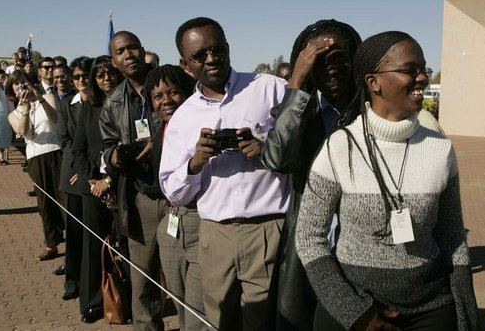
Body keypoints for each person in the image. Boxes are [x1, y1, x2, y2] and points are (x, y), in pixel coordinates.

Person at [295, 31, 480, 331]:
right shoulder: (339, 147)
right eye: (410, 70)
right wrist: (356, 313)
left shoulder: (440, 148)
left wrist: (465, 309)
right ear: (373, 82)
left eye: (424, 70)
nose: (422, 78)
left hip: (430, 308)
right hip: (354, 306)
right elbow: (309, 238)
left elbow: (452, 236)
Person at [159, 17, 289, 330]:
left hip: (268, 229)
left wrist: (266, 147)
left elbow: (304, 148)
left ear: (228, 49)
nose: (211, 59)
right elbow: (173, 191)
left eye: (217, 50)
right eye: (200, 56)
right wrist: (196, 161)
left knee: (265, 322)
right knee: (219, 321)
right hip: (215, 235)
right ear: (185, 64)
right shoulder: (183, 117)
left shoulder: (271, 89)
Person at [261, 19, 362, 330]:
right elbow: (276, 158)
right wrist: (295, 86)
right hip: (309, 243)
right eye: (318, 60)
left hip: (363, 244)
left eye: (338, 58)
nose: (330, 68)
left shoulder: (375, 110)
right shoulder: (300, 110)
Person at [99, 31, 166, 331]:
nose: (128, 54)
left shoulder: (172, 86)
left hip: (180, 198)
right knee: (143, 282)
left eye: (133, 47)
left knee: (182, 279)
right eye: (121, 50)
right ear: (114, 61)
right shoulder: (113, 102)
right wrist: (116, 156)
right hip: (141, 199)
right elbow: (107, 147)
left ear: (143, 51)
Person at [142, 64, 205, 330]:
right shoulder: (159, 133)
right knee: (179, 301)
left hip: (200, 221)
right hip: (171, 223)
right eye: (158, 96)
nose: (166, 101)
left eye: (174, 93)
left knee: (199, 308)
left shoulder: (203, 126)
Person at [70, 55, 121, 324]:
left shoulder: (129, 104)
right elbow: (78, 149)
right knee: (94, 246)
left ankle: (124, 299)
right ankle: (92, 303)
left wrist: (110, 181)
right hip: (93, 188)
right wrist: (91, 180)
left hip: (121, 186)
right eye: (100, 75)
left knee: (122, 246)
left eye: (110, 73)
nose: (106, 79)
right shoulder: (89, 108)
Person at [6, 70, 64, 261]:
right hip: (35, 157)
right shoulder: (14, 113)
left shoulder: (47, 97)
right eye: (17, 84)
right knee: (45, 202)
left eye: (24, 82)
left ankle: (73, 240)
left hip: (56, 151)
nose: (21, 86)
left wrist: (38, 97)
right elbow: (24, 131)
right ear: (12, 91)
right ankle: (51, 243)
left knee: (63, 198)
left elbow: (55, 118)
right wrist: (25, 108)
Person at [57, 57, 94, 311]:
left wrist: (88, 172)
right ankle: (72, 280)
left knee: (93, 236)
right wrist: (80, 171)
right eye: (77, 76)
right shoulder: (66, 105)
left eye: (85, 76)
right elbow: (65, 140)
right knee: (75, 232)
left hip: (93, 175)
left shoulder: (100, 102)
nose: (82, 81)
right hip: (72, 175)